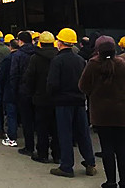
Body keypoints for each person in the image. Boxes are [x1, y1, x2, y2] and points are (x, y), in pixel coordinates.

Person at [48, 27, 96, 178]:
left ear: (60, 43)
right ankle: (90, 163)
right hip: (79, 101)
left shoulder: (57, 60)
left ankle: (67, 167)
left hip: (63, 102)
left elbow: (52, 83)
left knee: (65, 134)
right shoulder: (80, 60)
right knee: (83, 133)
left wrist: (52, 97)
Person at [79, 35, 125, 188]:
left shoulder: (93, 64)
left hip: (101, 114)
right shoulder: (121, 64)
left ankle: (110, 182)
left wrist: (94, 94)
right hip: (121, 113)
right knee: (122, 148)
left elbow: (83, 86)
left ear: (97, 49)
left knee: (107, 148)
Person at [25, 31, 59, 164]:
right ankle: (57, 155)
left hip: (40, 98)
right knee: (56, 128)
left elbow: (30, 77)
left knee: (42, 128)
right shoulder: (59, 56)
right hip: (56, 98)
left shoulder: (35, 58)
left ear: (40, 43)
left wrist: (30, 93)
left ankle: (42, 154)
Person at [10, 31, 37, 156]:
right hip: (37, 91)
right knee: (39, 120)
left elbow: (14, 74)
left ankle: (29, 147)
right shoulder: (37, 52)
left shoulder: (18, 55)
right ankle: (42, 147)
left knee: (27, 121)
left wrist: (14, 91)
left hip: (23, 91)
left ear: (20, 41)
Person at [0, 38, 20, 147]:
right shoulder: (26, 56)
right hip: (23, 90)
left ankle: (12, 138)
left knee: (11, 115)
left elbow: (2, 75)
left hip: (10, 89)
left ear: (10, 47)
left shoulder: (8, 59)